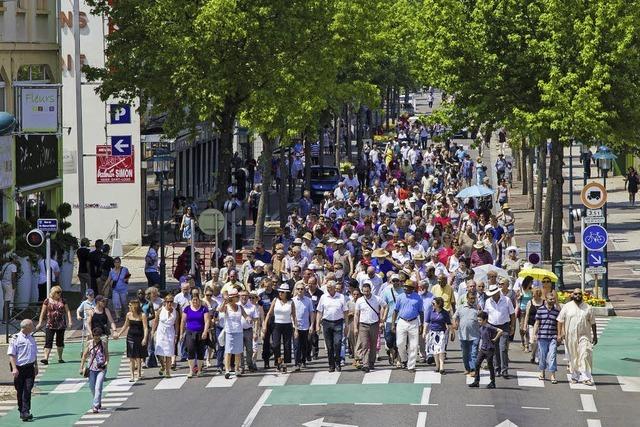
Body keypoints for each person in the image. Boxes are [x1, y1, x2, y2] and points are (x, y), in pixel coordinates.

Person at [557, 288, 597, 385]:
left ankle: (586, 377)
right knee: (574, 357)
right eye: (575, 294)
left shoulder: (588, 308)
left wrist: (595, 336)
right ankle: (575, 376)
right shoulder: (567, 307)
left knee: (585, 354)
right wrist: (560, 333)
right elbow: (560, 320)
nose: (577, 296)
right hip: (570, 336)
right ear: (572, 295)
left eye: (579, 294)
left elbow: (593, 323)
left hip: (584, 336)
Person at [263, 283, 297, 373]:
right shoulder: (275, 300)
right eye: (280, 292)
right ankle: (278, 361)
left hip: (287, 325)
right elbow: (269, 313)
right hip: (277, 325)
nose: (280, 294)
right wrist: (265, 325)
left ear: (287, 293)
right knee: (275, 345)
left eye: (283, 292)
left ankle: (285, 364)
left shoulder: (291, 302)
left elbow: (294, 316)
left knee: (287, 345)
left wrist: (296, 329)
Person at [483, 284, 515, 379]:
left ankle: (504, 370)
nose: (492, 295)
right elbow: (486, 315)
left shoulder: (506, 300)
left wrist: (512, 327)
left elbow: (512, 314)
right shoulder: (488, 301)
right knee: (495, 349)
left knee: (503, 348)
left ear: (498, 292)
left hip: (504, 326)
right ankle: (497, 368)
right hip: (492, 327)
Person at [7, 319, 38, 421]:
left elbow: (34, 353)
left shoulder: (32, 338)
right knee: (20, 390)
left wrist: (36, 366)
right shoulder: (15, 338)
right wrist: (14, 368)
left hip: (30, 367)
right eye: (31, 325)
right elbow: (11, 355)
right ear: (26, 327)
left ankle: (26, 411)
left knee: (27, 390)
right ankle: (22, 410)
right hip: (19, 368)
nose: (33, 327)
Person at [316, 281, 348, 372]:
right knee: (329, 346)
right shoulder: (323, 297)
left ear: (334, 288)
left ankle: (338, 362)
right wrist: (317, 325)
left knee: (337, 343)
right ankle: (331, 364)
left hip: (338, 322)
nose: (328, 288)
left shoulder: (341, 297)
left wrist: (346, 326)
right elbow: (319, 312)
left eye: (330, 286)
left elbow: (345, 312)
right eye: (327, 286)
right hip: (326, 323)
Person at [392, 280, 424, 372]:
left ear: (412, 288)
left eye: (407, 287)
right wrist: (393, 324)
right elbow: (395, 311)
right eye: (404, 286)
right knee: (400, 343)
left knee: (413, 345)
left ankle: (411, 366)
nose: (405, 288)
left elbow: (421, 312)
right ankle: (404, 359)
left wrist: (421, 325)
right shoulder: (400, 297)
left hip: (413, 322)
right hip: (402, 321)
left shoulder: (418, 298)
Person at [354, 282, 386, 372]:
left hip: (374, 324)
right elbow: (356, 314)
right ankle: (365, 364)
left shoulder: (377, 299)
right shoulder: (359, 300)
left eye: (367, 291)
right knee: (364, 345)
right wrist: (356, 327)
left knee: (373, 345)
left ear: (370, 290)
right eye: (364, 292)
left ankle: (371, 362)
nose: (366, 293)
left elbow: (385, 306)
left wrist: (382, 319)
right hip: (363, 325)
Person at [36, 286, 72, 365]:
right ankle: (46, 358)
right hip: (50, 324)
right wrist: (40, 323)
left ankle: (60, 357)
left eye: (60, 292)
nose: (59, 294)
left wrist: (70, 321)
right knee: (48, 341)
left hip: (61, 325)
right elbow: (43, 312)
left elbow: (68, 311)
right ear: (53, 293)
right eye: (57, 292)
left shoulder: (63, 301)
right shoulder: (47, 301)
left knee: (60, 342)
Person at [219, 288, 250, 379]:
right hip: (229, 332)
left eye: (238, 296)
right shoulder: (227, 306)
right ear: (232, 298)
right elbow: (220, 310)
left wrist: (249, 319)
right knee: (228, 351)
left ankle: (237, 369)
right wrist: (225, 301)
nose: (238, 298)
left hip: (239, 331)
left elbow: (245, 315)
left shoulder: (240, 307)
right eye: (237, 296)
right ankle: (227, 370)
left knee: (238, 351)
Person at [115, 299, 149, 382]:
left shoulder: (142, 315)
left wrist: (145, 338)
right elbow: (125, 325)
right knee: (131, 357)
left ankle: (139, 374)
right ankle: (132, 375)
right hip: (130, 337)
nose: (128, 307)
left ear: (135, 306)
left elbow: (145, 328)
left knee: (138, 357)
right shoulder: (128, 315)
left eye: (130, 305)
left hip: (139, 337)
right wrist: (119, 334)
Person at [180, 288, 211, 377]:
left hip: (200, 332)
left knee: (200, 351)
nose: (195, 302)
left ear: (199, 300)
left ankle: (199, 370)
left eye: (196, 300)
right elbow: (183, 321)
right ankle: (191, 370)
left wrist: (205, 331)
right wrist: (181, 333)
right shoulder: (187, 309)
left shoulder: (203, 309)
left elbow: (207, 321)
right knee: (191, 350)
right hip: (190, 332)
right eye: (193, 300)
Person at [469, 311, 504, 389]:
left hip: (489, 349)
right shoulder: (481, 327)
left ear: (485, 320)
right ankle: (476, 381)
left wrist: (495, 339)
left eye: (480, 320)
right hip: (482, 349)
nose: (479, 321)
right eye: (478, 320)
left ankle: (492, 382)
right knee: (477, 364)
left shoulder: (489, 327)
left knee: (490, 365)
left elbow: (500, 331)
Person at [79, 327, 109, 413]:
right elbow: (84, 356)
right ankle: (98, 401)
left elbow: (107, 354)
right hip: (91, 368)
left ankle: (95, 406)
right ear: (93, 335)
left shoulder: (103, 343)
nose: (97, 338)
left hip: (101, 369)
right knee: (92, 387)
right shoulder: (89, 343)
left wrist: (106, 363)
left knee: (98, 387)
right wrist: (81, 367)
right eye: (95, 336)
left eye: (98, 336)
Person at [533, 291, 559, 384]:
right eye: (550, 299)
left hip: (553, 336)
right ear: (546, 299)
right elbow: (537, 323)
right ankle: (542, 372)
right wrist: (534, 334)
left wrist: (559, 335)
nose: (552, 300)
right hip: (542, 336)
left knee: (552, 355)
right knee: (542, 355)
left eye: (553, 299)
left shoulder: (556, 311)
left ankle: (552, 375)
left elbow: (558, 324)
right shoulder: (540, 310)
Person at [453, 292, 480, 376]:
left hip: (475, 335)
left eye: (474, 298)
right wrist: (455, 324)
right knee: (465, 353)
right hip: (463, 335)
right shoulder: (461, 307)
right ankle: (467, 368)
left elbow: (482, 319)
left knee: (473, 353)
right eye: (471, 298)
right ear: (467, 298)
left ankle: (473, 369)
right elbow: (454, 317)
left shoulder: (477, 308)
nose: (472, 300)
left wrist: (480, 311)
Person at [153, 293, 179, 378]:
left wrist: (176, 335)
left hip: (170, 332)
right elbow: (156, 321)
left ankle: (167, 372)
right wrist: (153, 331)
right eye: (168, 301)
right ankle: (162, 365)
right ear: (165, 302)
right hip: (161, 332)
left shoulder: (176, 312)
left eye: (171, 301)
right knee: (158, 351)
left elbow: (176, 325)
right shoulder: (160, 310)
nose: (169, 303)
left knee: (168, 352)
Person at [424, 296, 452, 374]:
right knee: (435, 351)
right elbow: (426, 322)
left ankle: (442, 367)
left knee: (441, 350)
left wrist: (452, 332)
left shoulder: (445, 313)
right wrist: (424, 331)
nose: (432, 304)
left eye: (433, 303)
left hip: (442, 333)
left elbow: (449, 323)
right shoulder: (430, 311)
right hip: (432, 333)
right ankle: (437, 366)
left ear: (439, 304)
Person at [381, 274, 404, 365]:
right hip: (389, 319)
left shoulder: (403, 291)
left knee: (399, 340)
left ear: (400, 281)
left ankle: (399, 359)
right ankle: (392, 351)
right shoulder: (386, 291)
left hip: (401, 319)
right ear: (391, 281)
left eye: (397, 281)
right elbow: (383, 306)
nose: (395, 283)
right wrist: (382, 320)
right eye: (393, 281)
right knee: (389, 340)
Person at [292, 282, 313, 371]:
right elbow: (291, 314)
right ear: (295, 290)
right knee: (296, 345)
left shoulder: (308, 300)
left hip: (305, 326)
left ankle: (303, 360)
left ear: (304, 290)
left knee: (304, 345)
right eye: (298, 289)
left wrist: (312, 325)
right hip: (295, 326)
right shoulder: (292, 300)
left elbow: (311, 313)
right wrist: (294, 325)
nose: (300, 291)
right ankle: (297, 363)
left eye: (302, 289)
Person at [104, 257, 131, 322]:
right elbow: (108, 279)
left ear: (120, 262)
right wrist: (104, 287)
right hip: (115, 290)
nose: (117, 264)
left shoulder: (124, 269)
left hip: (123, 289)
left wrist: (126, 279)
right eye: (115, 262)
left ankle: (127, 316)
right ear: (114, 263)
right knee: (116, 303)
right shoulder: (112, 271)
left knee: (124, 303)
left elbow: (128, 275)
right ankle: (118, 317)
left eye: (118, 262)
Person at [239, 290, 260, 373]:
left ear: (248, 297)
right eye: (242, 295)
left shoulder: (252, 306)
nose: (244, 297)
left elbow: (256, 320)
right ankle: (241, 366)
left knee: (249, 349)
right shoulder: (236, 306)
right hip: (238, 331)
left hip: (248, 330)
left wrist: (255, 332)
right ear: (239, 296)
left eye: (246, 295)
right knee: (240, 350)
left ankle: (250, 364)